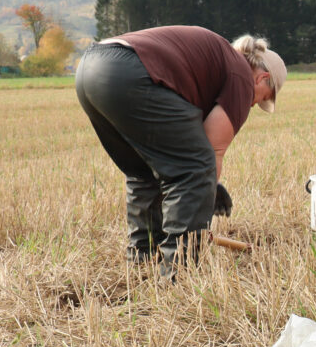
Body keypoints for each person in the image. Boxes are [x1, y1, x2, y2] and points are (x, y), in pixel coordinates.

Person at [74, 26, 286, 276]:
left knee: (144, 172)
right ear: (261, 78)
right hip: (130, 73)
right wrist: (203, 193)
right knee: (194, 170)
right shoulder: (241, 76)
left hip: (90, 68)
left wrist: (205, 190)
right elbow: (210, 153)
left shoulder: (219, 60)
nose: (253, 103)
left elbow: (187, 148)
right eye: (262, 98)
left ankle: (143, 259)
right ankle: (178, 273)